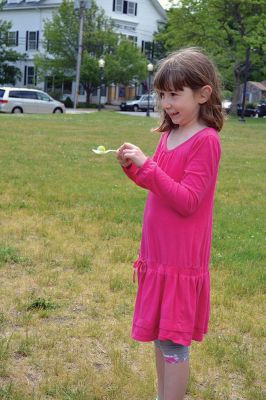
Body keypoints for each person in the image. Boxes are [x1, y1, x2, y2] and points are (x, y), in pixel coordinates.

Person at [116, 47, 224, 400]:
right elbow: (158, 184)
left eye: (175, 94)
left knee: (174, 344)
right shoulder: (169, 134)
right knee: (160, 338)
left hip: (180, 260)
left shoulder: (206, 141)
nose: (166, 103)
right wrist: (135, 169)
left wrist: (148, 167)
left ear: (203, 94)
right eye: (162, 94)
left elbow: (187, 200)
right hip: (157, 256)